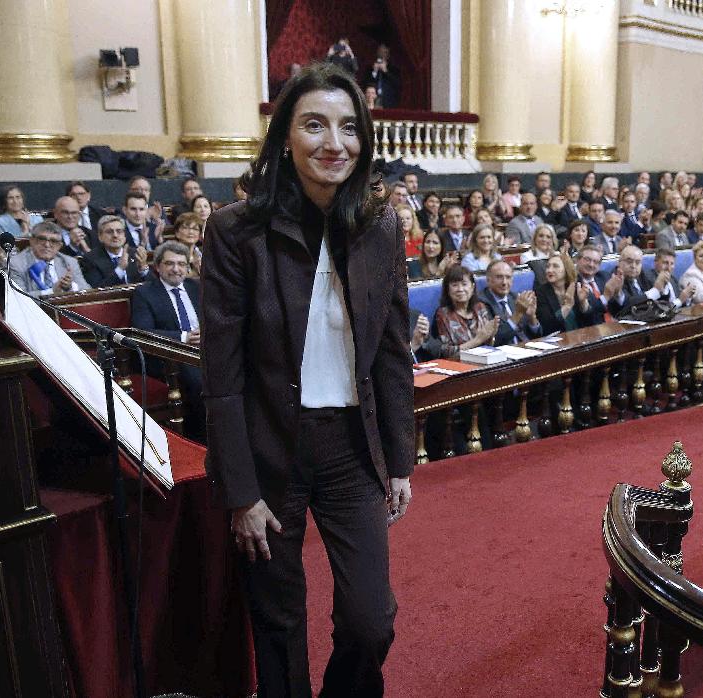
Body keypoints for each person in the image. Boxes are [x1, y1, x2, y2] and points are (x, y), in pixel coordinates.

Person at [200, 62, 412, 697]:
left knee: (371, 622)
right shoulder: (236, 232)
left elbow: (393, 356)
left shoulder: (380, 229)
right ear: (284, 137)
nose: (334, 143)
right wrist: (241, 494)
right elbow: (224, 377)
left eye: (349, 127)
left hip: (352, 449)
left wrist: (399, 460)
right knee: (278, 622)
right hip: (270, 453)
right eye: (314, 125)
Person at [130, 241, 204, 439]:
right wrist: (184, 338)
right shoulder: (144, 293)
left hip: (205, 349)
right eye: (170, 263)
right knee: (201, 380)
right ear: (157, 266)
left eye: (181, 264)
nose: (176, 269)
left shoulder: (196, 287)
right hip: (168, 355)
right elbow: (142, 331)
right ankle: (202, 438)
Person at [6, 221, 88, 296]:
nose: (47, 245)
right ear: (32, 241)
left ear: (59, 246)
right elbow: (18, 297)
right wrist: (52, 292)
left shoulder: (70, 262)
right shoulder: (15, 264)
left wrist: (70, 287)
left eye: (53, 241)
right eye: (42, 239)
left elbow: (87, 291)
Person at [433, 265, 499, 358]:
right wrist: (478, 340)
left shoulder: (480, 307)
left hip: (484, 359)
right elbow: (446, 353)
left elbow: (489, 344)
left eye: (464, 284)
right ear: (448, 290)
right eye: (455, 285)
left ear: (472, 287)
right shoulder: (443, 314)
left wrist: (491, 335)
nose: (460, 289)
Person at [479, 260, 542, 345]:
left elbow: (538, 335)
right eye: (499, 277)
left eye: (508, 277)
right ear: (488, 280)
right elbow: (496, 340)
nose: (504, 282)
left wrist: (532, 317)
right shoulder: (481, 303)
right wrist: (518, 314)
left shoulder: (515, 297)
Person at [535, 253, 596, 334]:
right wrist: (567, 306)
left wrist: (583, 303)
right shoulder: (541, 292)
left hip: (581, 337)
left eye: (555, 266)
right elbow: (547, 326)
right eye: (548, 266)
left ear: (566, 269)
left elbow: (592, 321)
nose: (549, 270)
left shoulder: (576, 286)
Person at [81, 215, 149, 288]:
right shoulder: (90, 259)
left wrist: (143, 269)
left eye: (119, 231)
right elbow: (97, 289)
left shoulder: (135, 253)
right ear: (100, 237)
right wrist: (120, 269)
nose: (115, 235)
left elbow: (154, 284)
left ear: (124, 235)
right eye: (109, 232)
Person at [172, 212, 205, 278]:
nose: (191, 232)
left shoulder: (204, 254)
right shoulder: (170, 254)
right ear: (177, 233)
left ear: (199, 235)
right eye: (186, 228)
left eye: (195, 229)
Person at [368, 43, 400, 108]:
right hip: (373, 102)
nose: (382, 55)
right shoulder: (370, 69)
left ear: (388, 55)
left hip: (389, 103)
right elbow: (366, 84)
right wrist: (374, 72)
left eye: (384, 52)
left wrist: (386, 71)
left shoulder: (394, 70)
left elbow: (397, 85)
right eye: (380, 52)